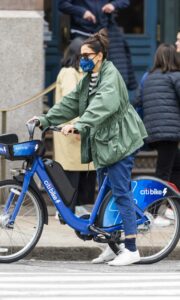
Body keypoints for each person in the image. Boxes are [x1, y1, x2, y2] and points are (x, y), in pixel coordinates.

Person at [29, 29, 147, 266]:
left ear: (100, 55)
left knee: (120, 191)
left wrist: (80, 125)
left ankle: (132, 248)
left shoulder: (110, 77)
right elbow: (70, 103)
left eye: (87, 54)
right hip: (104, 143)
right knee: (103, 194)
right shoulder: (89, 79)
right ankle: (112, 246)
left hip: (120, 141)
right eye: (81, 54)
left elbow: (102, 105)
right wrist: (46, 119)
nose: (81, 58)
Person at [134, 44, 180, 225]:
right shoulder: (175, 76)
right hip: (170, 132)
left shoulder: (148, 77)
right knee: (163, 172)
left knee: (176, 165)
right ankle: (151, 213)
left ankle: (172, 207)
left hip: (152, 132)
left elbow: (137, 101)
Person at [54, 38, 96, 218]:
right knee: (71, 172)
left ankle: (75, 206)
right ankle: (66, 209)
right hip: (72, 131)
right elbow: (73, 101)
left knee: (82, 171)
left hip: (78, 130)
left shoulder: (80, 73)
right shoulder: (70, 73)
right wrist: (79, 126)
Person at [58, 0, 137, 91]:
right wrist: (82, 12)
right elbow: (62, 5)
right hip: (82, 35)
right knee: (84, 77)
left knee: (107, 76)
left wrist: (113, 5)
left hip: (104, 34)